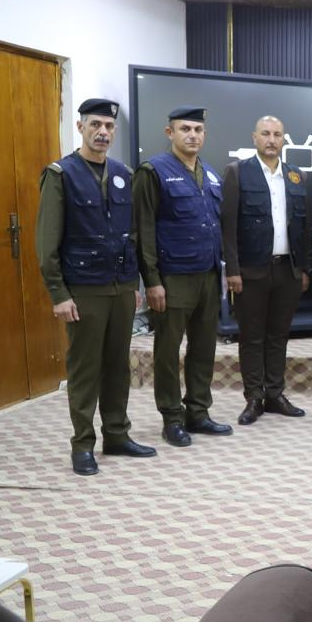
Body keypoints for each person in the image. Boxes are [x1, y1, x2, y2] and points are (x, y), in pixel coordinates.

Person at [36, 98, 154, 476]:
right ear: (80, 127)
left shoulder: (123, 173)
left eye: (108, 126)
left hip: (120, 287)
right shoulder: (61, 174)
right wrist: (59, 294)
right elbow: (47, 241)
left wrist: (133, 283)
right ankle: (82, 444)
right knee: (86, 369)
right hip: (83, 288)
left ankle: (117, 434)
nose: (103, 132)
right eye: (95, 125)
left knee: (118, 366)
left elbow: (131, 234)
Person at [134, 106, 233, 446]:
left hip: (207, 275)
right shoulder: (153, 171)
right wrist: (152, 280)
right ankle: (172, 418)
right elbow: (143, 229)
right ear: (170, 133)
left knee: (204, 347)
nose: (193, 135)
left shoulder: (211, 173)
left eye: (198, 130)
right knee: (167, 350)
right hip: (172, 278)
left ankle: (198, 412)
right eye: (185, 129)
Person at [221, 115, 312, 425]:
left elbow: (303, 227)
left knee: (278, 335)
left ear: (284, 139)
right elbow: (228, 226)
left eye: (277, 134)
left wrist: (304, 268)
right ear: (254, 138)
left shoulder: (296, 175)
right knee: (251, 337)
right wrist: (232, 269)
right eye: (265, 134)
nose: (272, 140)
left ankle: (275, 394)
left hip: (287, 270)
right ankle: (254, 398)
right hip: (250, 271)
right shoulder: (237, 172)